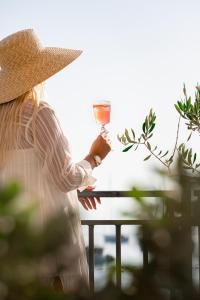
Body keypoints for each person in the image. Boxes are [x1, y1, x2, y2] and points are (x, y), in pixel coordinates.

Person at [0, 29, 111, 293]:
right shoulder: (40, 113)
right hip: (50, 242)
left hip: (15, 242)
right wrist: (94, 158)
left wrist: (77, 188)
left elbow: (24, 175)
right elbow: (63, 178)